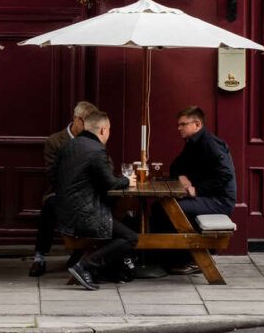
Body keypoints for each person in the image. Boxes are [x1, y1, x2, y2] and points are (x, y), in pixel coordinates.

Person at [55, 111, 135, 291]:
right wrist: (128, 180)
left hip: (66, 212)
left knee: (119, 224)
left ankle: (101, 271)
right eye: (109, 130)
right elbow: (111, 183)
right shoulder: (96, 149)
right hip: (84, 214)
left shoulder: (70, 145)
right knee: (130, 237)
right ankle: (84, 266)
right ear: (103, 130)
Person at [154, 106, 236, 273]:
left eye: (183, 124)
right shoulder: (193, 143)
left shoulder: (210, 143)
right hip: (207, 198)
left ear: (197, 124)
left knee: (168, 209)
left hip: (219, 201)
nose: (179, 128)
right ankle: (167, 258)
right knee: (159, 207)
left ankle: (187, 260)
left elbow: (225, 175)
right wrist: (182, 176)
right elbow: (176, 166)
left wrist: (197, 189)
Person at [30, 100, 99, 277]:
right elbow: (55, 175)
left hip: (90, 192)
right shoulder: (56, 141)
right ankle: (40, 257)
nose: (90, 127)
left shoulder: (95, 139)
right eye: (86, 122)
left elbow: (106, 167)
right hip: (60, 191)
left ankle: (83, 251)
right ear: (76, 120)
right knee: (51, 206)